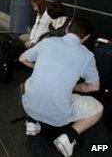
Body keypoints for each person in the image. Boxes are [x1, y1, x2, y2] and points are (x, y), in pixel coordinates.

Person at [19, 17, 103, 157]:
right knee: (98, 108)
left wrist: (38, 68)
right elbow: (94, 87)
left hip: (29, 106)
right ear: (86, 37)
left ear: (67, 27)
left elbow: (22, 58)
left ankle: (32, 122)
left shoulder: (47, 41)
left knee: (30, 81)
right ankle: (69, 137)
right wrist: (73, 87)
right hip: (58, 116)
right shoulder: (87, 56)